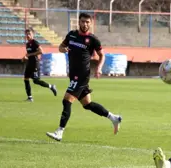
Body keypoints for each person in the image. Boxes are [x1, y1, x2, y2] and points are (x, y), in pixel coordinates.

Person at [46, 13, 122, 141]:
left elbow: (102, 55)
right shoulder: (71, 35)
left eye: (87, 22)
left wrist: (98, 67)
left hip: (81, 75)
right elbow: (61, 47)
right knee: (87, 104)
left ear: (90, 23)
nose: (85, 24)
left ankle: (59, 132)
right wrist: (62, 49)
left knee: (66, 100)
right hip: (73, 74)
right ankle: (114, 118)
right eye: (83, 22)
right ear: (79, 22)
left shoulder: (93, 40)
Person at [23, 29, 57, 102]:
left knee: (36, 81)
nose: (28, 35)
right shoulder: (27, 44)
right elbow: (29, 54)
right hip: (29, 64)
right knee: (26, 79)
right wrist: (25, 57)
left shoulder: (35, 42)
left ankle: (51, 86)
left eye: (29, 34)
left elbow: (41, 51)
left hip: (35, 64)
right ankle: (30, 97)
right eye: (26, 34)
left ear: (33, 35)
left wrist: (30, 55)